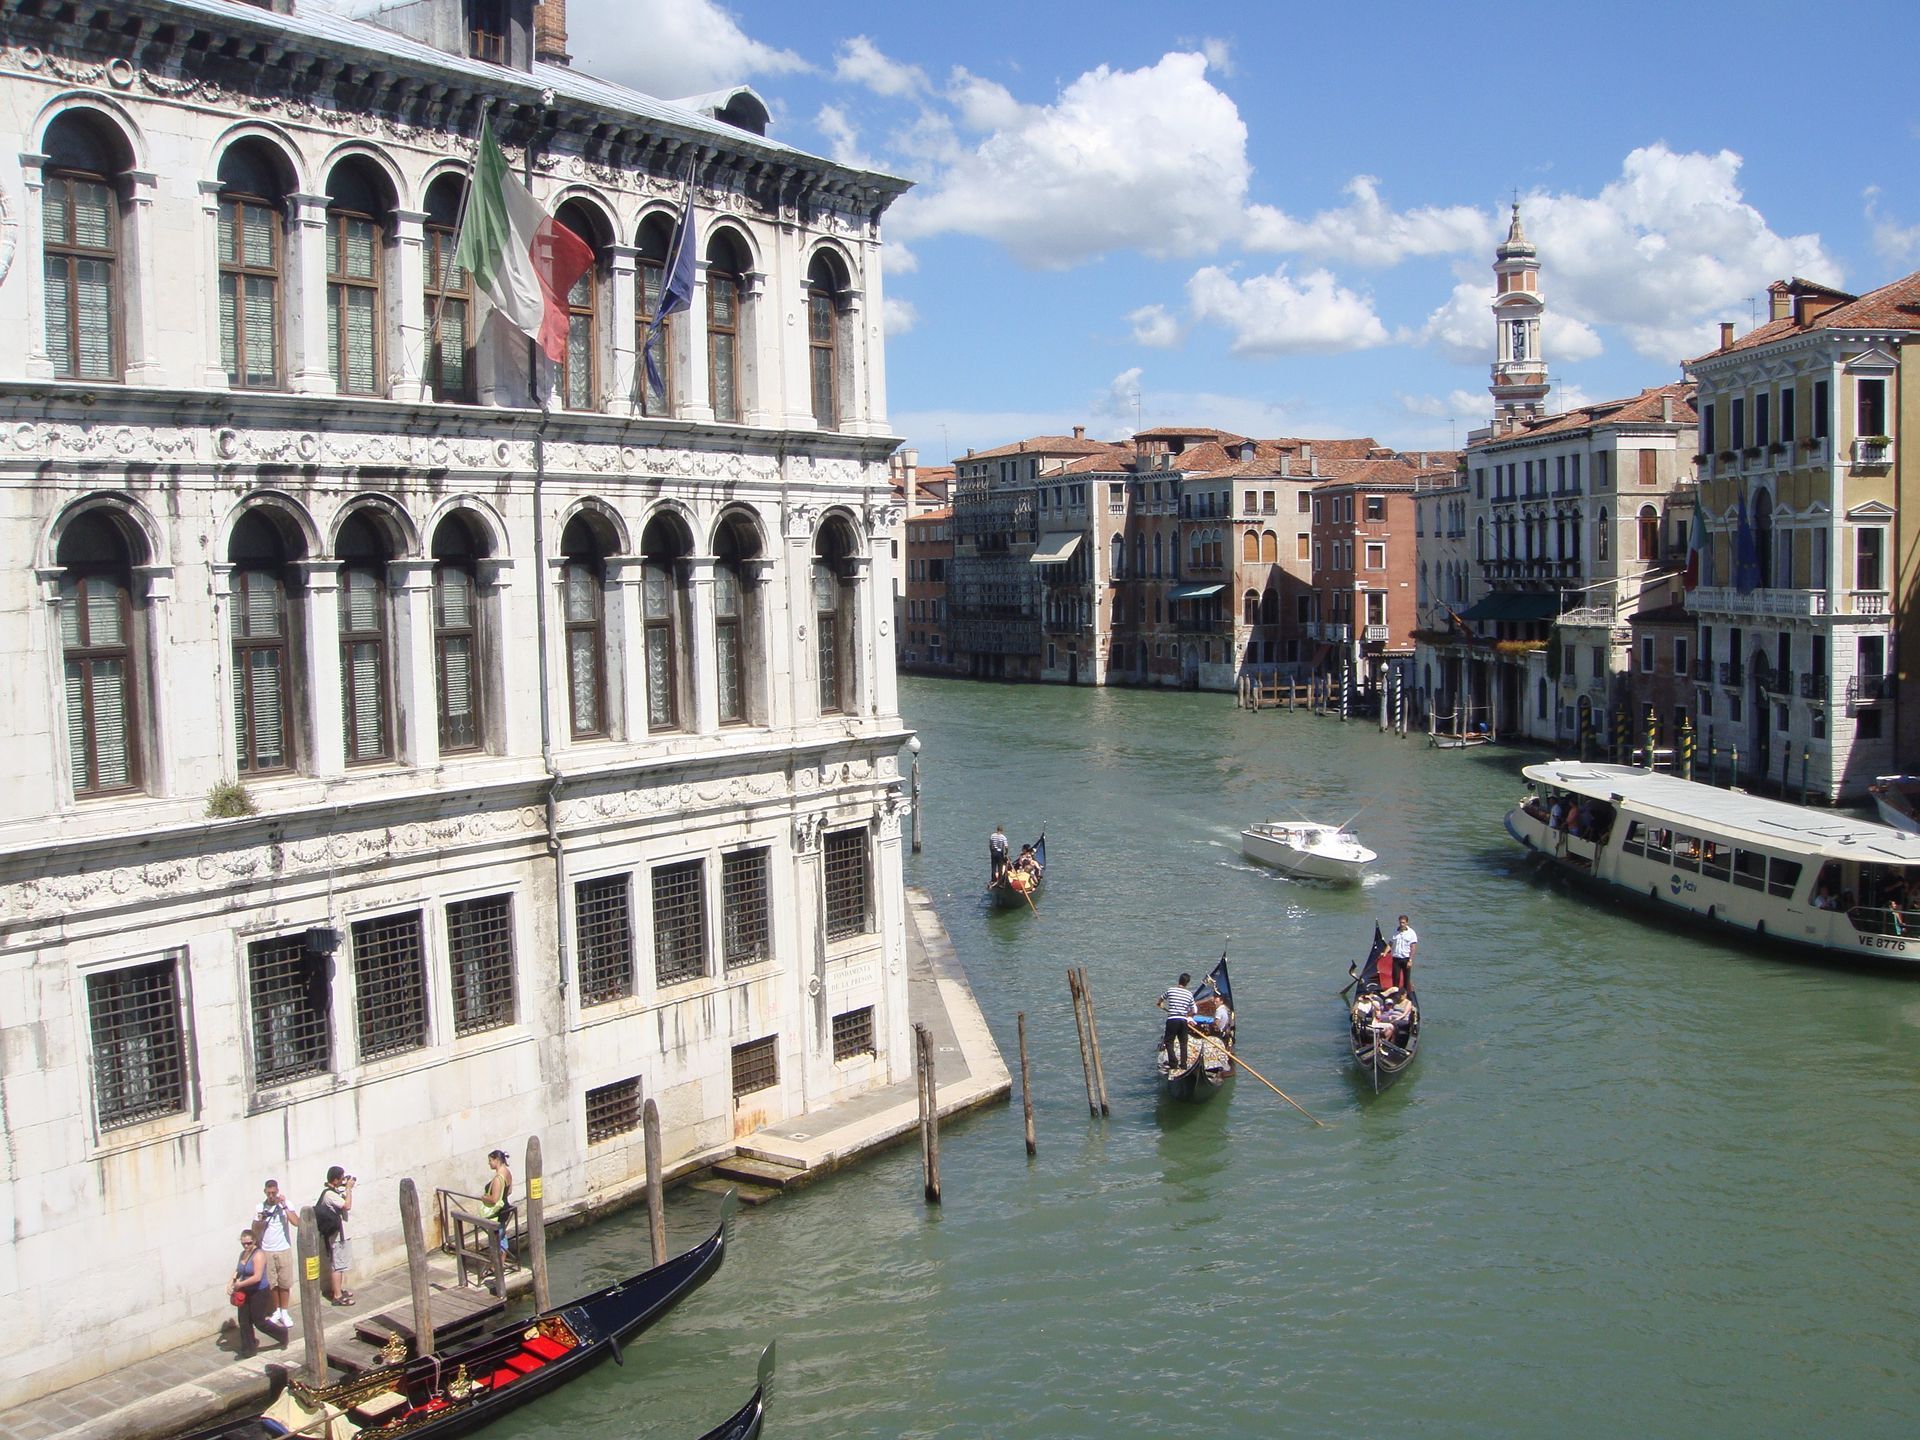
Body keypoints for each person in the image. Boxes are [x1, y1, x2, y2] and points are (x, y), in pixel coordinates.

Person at [229, 1226, 287, 1359]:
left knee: (259, 1321)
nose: (246, 1246)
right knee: (244, 1321)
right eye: (244, 1243)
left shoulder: (259, 1255)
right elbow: (239, 1270)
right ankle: (248, 1349)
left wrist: (239, 1284)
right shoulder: (243, 1254)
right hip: (245, 1290)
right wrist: (231, 1282)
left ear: (254, 1241)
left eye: (249, 1243)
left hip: (258, 1291)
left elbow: (257, 1277)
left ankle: (282, 1334)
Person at [254, 1179, 296, 1330]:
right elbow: (255, 1229)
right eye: (269, 1193)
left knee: (284, 1282)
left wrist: (284, 1206)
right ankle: (276, 1310)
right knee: (272, 1283)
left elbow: (296, 1222)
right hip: (267, 1250)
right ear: (265, 1192)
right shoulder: (260, 1207)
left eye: (274, 1193)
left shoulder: (286, 1204)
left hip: (283, 1248)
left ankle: (284, 1312)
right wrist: (262, 1218)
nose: (271, 1196)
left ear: (277, 1191)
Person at [316, 1165, 355, 1306]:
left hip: (340, 1235)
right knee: (337, 1266)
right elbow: (347, 1206)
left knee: (340, 1265)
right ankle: (337, 1296)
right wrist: (348, 1189)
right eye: (342, 1178)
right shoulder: (329, 1194)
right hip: (337, 1236)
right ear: (335, 1180)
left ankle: (338, 1290)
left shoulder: (334, 1192)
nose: (344, 1180)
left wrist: (346, 1189)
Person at [480, 1149, 514, 1259]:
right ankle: (501, 1263)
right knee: (502, 1237)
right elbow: (509, 1191)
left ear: (497, 1160)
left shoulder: (498, 1178)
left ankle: (496, 1265)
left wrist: (484, 1198)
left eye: (490, 1160)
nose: (489, 1163)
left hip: (497, 1212)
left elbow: (494, 1199)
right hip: (505, 1207)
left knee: (495, 1240)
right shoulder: (507, 1172)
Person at [1157, 972, 1196, 1069]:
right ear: (1187, 983)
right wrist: (1188, 1015)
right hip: (1183, 1020)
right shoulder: (1189, 994)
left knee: (1168, 1042)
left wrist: (1160, 1004)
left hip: (1172, 1020)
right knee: (1183, 1043)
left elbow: (1160, 999)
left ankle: (1173, 1063)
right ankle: (1183, 1065)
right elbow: (1194, 1010)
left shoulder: (1171, 990)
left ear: (1179, 980)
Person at [1389, 915, 1418, 993]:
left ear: (1407, 923)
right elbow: (1390, 943)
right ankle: (1395, 995)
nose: (1401, 924)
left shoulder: (1411, 933)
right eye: (1400, 922)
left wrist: (1410, 960)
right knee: (1395, 979)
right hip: (1396, 959)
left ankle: (1406, 995)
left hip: (1406, 959)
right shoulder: (1395, 931)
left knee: (1406, 979)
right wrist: (1384, 952)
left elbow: (1413, 947)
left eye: (1403, 922)